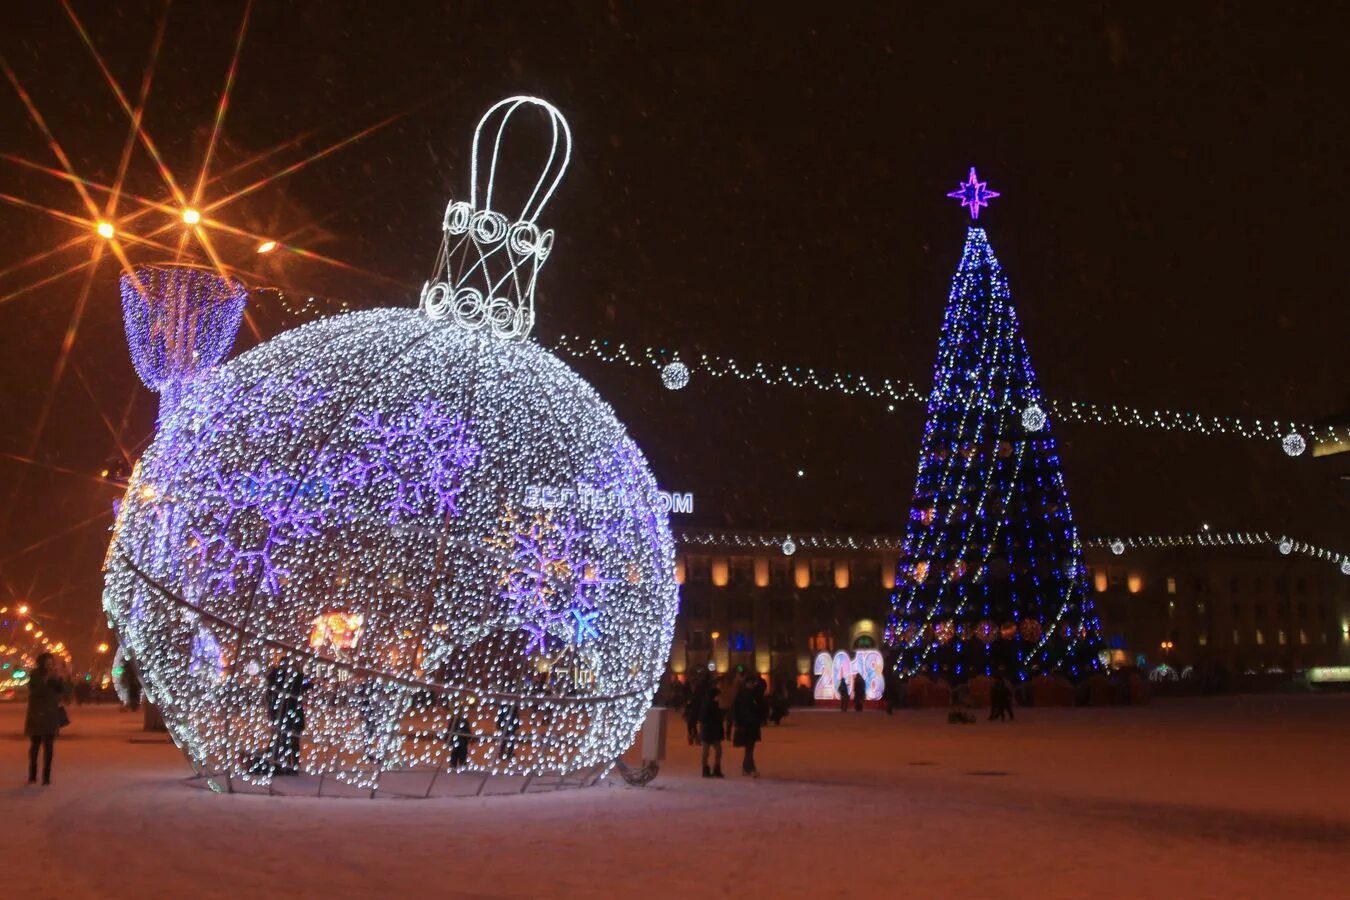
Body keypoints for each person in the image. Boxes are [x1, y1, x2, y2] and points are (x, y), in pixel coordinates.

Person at [25, 652, 69, 786]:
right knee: (35, 747)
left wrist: (62, 678)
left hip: (50, 716)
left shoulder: (55, 676)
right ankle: (32, 775)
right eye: (47, 662)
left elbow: (63, 691)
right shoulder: (35, 674)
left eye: (51, 662)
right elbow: (34, 690)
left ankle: (46, 777)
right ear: (41, 663)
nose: (49, 665)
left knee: (49, 748)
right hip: (37, 715)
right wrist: (46, 678)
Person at [265, 661, 311, 774]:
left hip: (285, 715)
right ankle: (286, 765)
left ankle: (283, 764)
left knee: (283, 740)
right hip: (288, 715)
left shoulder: (279, 681)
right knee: (286, 741)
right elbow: (301, 686)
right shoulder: (285, 681)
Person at [733, 676, 766, 777]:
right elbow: (736, 711)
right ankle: (750, 768)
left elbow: (762, 708)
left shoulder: (755, 695)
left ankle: (747, 767)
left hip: (752, 725)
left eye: (753, 683)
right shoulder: (742, 696)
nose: (752, 685)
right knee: (749, 748)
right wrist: (738, 722)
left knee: (750, 748)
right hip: (745, 725)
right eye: (750, 683)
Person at [699, 683, 724, 778]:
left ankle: (715, 768)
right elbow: (704, 719)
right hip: (709, 732)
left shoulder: (714, 704)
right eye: (717, 695)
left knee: (717, 751)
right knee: (707, 752)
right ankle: (706, 769)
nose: (719, 697)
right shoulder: (708, 705)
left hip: (713, 732)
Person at [683, 677, 704, 745]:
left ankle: (693, 737)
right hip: (690, 709)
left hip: (695, 709)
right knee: (691, 724)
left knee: (692, 724)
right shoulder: (688, 690)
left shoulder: (698, 691)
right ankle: (693, 737)